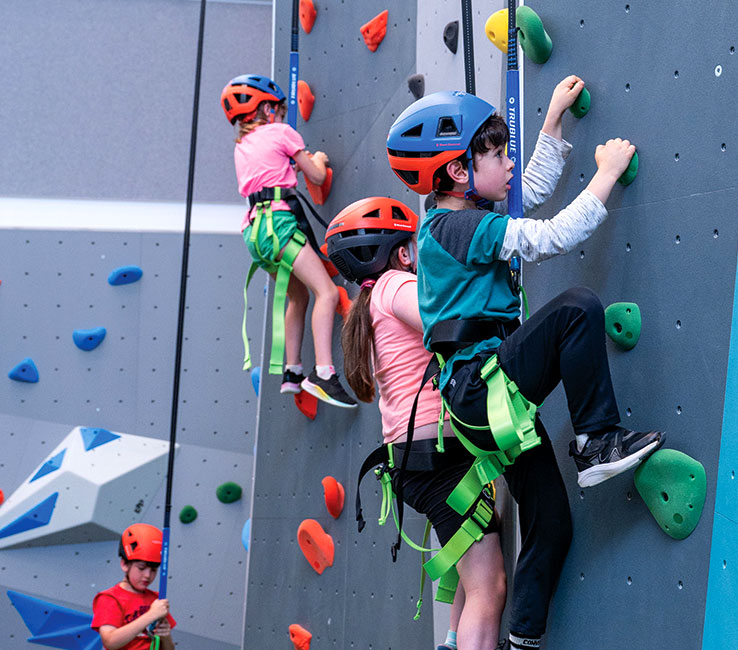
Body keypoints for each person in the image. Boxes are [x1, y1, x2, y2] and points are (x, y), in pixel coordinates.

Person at [386, 78, 663, 650]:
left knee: (551, 524)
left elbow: (526, 189)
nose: (508, 163)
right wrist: (607, 173)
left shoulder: (456, 218)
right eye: (497, 154)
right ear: (459, 171)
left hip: (486, 400)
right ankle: (597, 441)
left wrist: (553, 122)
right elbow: (550, 236)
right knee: (576, 309)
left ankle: (522, 641)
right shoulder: (458, 226)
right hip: (481, 387)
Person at [329, 197, 505, 650]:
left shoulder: (370, 304)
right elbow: (444, 318)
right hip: (439, 462)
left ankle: (452, 639)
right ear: (405, 253)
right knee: (489, 587)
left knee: (471, 562)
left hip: (422, 461)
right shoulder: (395, 286)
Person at [221, 74, 355, 408]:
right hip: (279, 226)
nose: (281, 116)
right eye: (279, 110)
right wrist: (318, 159)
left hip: (255, 234)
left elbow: (268, 177)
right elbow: (317, 176)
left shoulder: (241, 147)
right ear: (267, 109)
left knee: (297, 296)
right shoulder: (281, 132)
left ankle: (292, 372)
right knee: (326, 292)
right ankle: (323, 374)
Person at [91, 524, 176, 650]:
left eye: (153, 570)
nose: (147, 575)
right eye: (141, 568)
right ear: (125, 564)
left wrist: (165, 636)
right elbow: (110, 641)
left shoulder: (156, 599)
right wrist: (151, 615)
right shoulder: (109, 598)